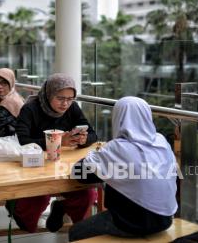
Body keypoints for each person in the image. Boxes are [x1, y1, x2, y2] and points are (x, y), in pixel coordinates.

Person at [68, 96, 178, 241]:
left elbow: (79, 173)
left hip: (132, 224)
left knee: (75, 232)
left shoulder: (118, 148)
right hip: (166, 219)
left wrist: (96, 155)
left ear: (118, 117)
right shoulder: (161, 140)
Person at [12, 73, 97, 233]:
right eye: (60, 98)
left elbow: (93, 134)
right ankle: (20, 214)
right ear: (49, 93)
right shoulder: (31, 108)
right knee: (38, 198)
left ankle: (78, 227)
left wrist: (83, 139)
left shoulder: (72, 108)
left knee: (87, 194)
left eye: (70, 98)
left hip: (63, 167)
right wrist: (57, 142)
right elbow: (22, 141)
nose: (65, 103)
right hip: (36, 168)